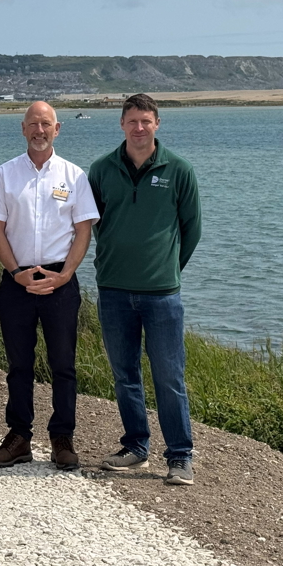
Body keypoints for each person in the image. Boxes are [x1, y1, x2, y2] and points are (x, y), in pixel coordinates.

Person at [88, 93, 201, 486]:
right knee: (124, 374)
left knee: (169, 375)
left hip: (162, 295)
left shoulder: (179, 170)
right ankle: (136, 446)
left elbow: (192, 230)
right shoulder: (101, 170)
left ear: (157, 124)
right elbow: (94, 222)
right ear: (121, 125)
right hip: (114, 290)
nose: (139, 128)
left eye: (146, 121)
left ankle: (180, 456)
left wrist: (166, 269)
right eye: (132, 121)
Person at [0, 101, 99, 471]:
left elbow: (84, 230)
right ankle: (19, 437)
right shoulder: (5, 174)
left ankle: (62, 437)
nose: (39, 130)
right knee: (19, 364)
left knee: (63, 365)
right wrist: (15, 272)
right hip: (16, 281)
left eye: (45, 124)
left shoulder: (74, 176)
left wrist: (65, 274)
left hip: (60, 282)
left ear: (57, 129)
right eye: (33, 124)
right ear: (22, 128)